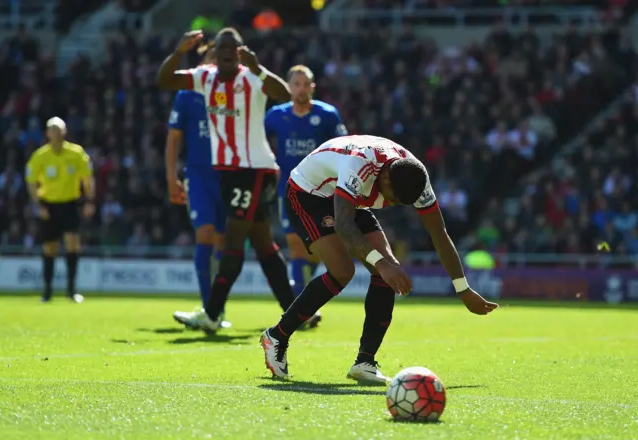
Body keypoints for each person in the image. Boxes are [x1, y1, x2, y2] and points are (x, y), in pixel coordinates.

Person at [260, 135, 499, 381]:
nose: (392, 204)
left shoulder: (416, 176)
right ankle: (277, 336)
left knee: (390, 271)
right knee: (343, 271)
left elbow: (439, 234)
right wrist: (381, 264)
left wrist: (463, 289)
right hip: (309, 193)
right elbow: (344, 224)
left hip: (351, 200)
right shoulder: (360, 166)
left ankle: (364, 362)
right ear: (384, 178)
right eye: (392, 198)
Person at [157, 28, 296, 333]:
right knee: (263, 245)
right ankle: (296, 311)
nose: (227, 52)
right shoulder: (205, 77)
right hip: (229, 172)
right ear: (216, 51)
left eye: (232, 47)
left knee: (233, 240)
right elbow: (164, 80)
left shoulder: (251, 77)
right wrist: (180, 51)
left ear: (240, 51)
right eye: (222, 47)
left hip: (254, 170)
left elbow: (285, 94)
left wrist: (259, 67)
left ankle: (211, 313)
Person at [264, 64, 348, 328]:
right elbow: (260, 143)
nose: (301, 89)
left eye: (305, 84)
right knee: (296, 245)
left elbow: (343, 149)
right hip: (288, 191)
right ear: (289, 87)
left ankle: (302, 304)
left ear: (312, 87)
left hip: (322, 191)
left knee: (315, 251)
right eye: (296, 84)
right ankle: (300, 312)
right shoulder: (275, 116)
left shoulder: (327, 115)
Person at [166, 41, 230, 329]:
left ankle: (216, 310)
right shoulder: (187, 94)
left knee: (224, 243)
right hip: (200, 176)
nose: (213, 63)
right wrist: (171, 176)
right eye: (209, 58)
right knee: (204, 235)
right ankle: (209, 310)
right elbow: (174, 138)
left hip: (230, 175)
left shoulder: (235, 93)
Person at [25, 117, 95, 303]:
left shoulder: (76, 152)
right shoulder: (40, 156)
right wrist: (38, 205)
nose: (57, 133)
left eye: (60, 130)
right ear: (47, 133)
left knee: (73, 245)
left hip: (70, 204)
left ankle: (72, 290)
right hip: (49, 205)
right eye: (53, 130)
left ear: (65, 132)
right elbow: (31, 181)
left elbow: (87, 178)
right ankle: (47, 291)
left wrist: (89, 201)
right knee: (49, 248)